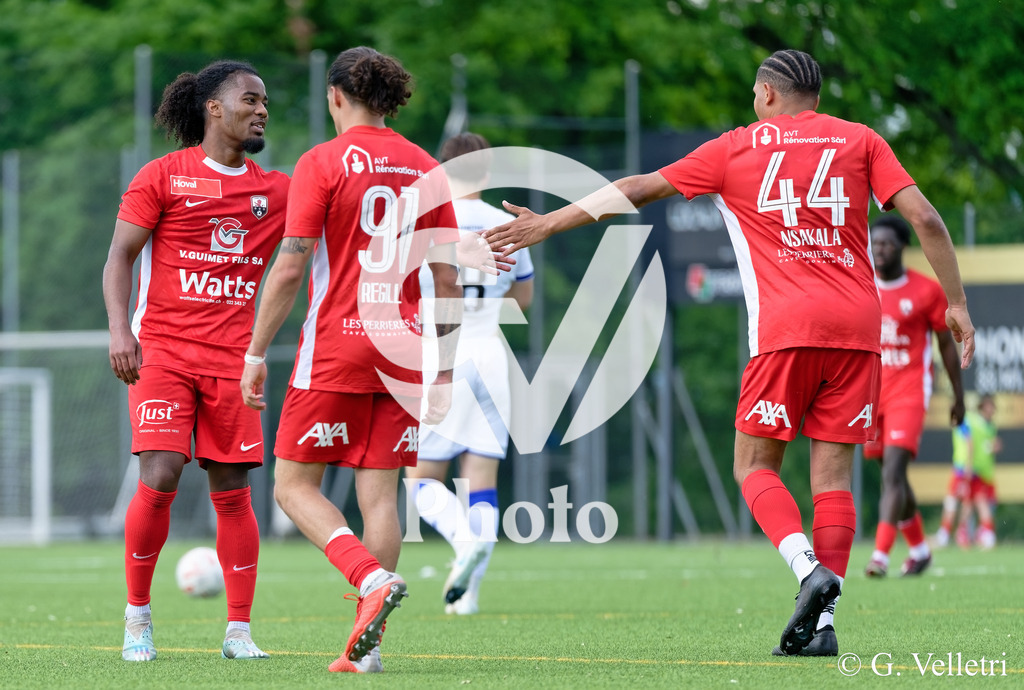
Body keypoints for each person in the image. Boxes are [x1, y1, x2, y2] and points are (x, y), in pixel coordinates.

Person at [484, 49, 975, 657]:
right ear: (816, 96)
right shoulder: (862, 141)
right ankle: (823, 627)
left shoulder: (736, 148)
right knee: (834, 481)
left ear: (768, 94)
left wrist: (544, 225)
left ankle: (806, 570)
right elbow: (925, 217)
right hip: (857, 331)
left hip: (785, 329)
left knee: (753, 466)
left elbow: (638, 189)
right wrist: (956, 303)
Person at [239, 46, 462, 674]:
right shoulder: (426, 167)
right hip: (407, 349)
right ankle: (370, 655)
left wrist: (256, 352)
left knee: (291, 485)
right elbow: (446, 279)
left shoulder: (322, 161)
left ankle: (369, 580)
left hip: (338, 345)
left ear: (335, 96)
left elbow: (291, 263)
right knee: (380, 497)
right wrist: (443, 367)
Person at [102, 60, 288, 662]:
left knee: (233, 493)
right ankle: (137, 619)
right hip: (162, 350)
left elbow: (341, 212)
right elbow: (119, 259)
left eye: (265, 102)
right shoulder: (162, 176)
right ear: (213, 106)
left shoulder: (275, 191)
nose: (261, 110)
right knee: (160, 474)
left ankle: (238, 632)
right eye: (250, 99)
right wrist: (118, 332)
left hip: (235, 362)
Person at [407, 132, 535, 615]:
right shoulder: (507, 225)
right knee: (481, 479)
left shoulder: (430, 224)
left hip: (443, 355)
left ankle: (463, 544)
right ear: (485, 174)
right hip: (492, 356)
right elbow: (522, 300)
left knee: (420, 481)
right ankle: (469, 596)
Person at [862, 215, 964, 578]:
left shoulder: (925, 291)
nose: (879, 250)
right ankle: (920, 550)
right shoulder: (861, 286)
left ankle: (880, 555)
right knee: (893, 476)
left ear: (902, 246)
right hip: (870, 394)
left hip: (909, 392)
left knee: (893, 470)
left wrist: (958, 396)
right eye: (874, 243)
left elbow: (946, 347)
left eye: (886, 244)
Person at [936, 393, 1001, 549]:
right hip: (973, 470)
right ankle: (974, 534)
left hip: (964, 470)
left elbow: (969, 444)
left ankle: (947, 535)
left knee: (958, 501)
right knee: (971, 502)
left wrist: (967, 468)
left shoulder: (964, 422)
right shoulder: (972, 422)